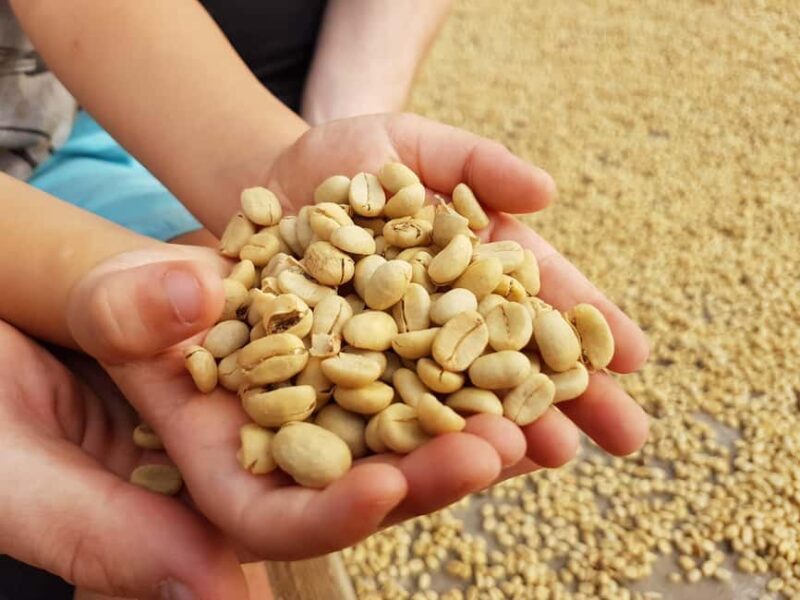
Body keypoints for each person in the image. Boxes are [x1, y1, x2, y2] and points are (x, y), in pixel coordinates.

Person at [0, 2, 650, 599]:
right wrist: (80, 281)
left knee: (203, 301)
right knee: (187, 469)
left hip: (63, 143)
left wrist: (262, 153)